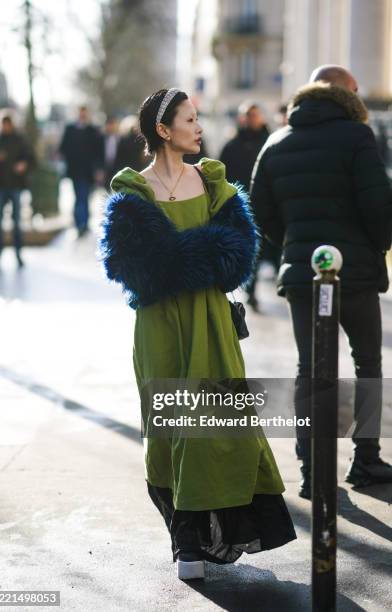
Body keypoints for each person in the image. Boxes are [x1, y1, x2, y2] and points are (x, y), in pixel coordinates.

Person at [100, 88, 296, 580]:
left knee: (219, 427)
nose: (200, 127)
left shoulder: (213, 183)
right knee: (173, 429)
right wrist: (198, 255)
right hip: (159, 328)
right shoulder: (132, 192)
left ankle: (214, 536)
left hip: (211, 321)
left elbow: (238, 254)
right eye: (190, 119)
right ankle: (187, 545)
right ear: (164, 131)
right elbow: (132, 266)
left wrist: (179, 257)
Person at [250, 65, 392, 499]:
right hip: (356, 274)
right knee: (367, 362)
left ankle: (313, 471)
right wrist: (376, 246)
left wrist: (294, 247)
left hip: (302, 274)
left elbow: (260, 211)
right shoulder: (356, 137)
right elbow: (378, 207)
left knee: (310, 371)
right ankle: (365, 459)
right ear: (346, 93)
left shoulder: (276, 142)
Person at [220, 102, 280, 312]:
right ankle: (248, 289)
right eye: (248, 115)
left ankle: (266, 286)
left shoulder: (271, 143)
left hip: (267, 205)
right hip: (239, 206)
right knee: (246, 249)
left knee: (267, 249)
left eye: (255, 115)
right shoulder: (232, 146)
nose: (251, 119)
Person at [0, 113, 34, 268]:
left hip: (15, 185)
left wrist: (23, 165)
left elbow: (31, 158)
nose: (5, 127)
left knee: (16, 222)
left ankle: (18, 254)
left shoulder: (20, 139)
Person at [59, 106, 103, 236]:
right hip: (75, 171)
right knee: (80, 196)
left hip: (88, 172)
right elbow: (63, 148)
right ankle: (81, 223)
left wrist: (98, 169)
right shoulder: (70, 129)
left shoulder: (93, 130)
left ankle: (82, 222)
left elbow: (98, 151)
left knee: (84, 197)